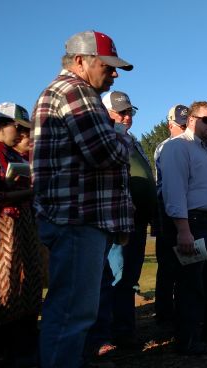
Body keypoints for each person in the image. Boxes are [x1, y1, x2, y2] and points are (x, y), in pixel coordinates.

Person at [32, 30, 134, 368]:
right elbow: (106, 151)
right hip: (76, 218)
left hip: (80, 218)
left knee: (77, 310)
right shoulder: (74, 93)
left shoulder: (74, 93)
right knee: (71, 311)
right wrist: (120, 133)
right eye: (108, 66)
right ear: (80, 61)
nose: (114, 75)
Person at [159, 101, 207, 355]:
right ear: (191, 120)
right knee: (192, 284)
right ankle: (188, 339)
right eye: (206, 120)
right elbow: (174, 189)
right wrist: (183, 229)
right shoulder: (178, 148)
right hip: (194, 223)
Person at [88, 91, 156, 353]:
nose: (127, 117)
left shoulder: (132, 141)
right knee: (112, 278)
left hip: (137, 222)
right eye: (121, 112)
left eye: (130, 112)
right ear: (105, 113)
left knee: (129, 278)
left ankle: (125, 333)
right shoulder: (104, 140)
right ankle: (104, 337)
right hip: (115, 222)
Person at [0, 102, 43, 368]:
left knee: (28, 283)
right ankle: (5, 354)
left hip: (23, 226)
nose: (21, 134)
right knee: (6, 288)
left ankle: (27, 349)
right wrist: (23, 194)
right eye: (17, 127)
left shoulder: (13, 154)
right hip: (0, 232)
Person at [152, 104, 189, 327]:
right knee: (168, 267)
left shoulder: (191, 147)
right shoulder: (166, 147)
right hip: (167, 212)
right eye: (181, 125)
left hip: (187, 212)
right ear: (170, 125)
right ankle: (164, 317)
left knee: (188, 265)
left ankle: (183, 313)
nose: (185, 130)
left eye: (187, 125)